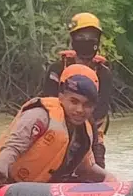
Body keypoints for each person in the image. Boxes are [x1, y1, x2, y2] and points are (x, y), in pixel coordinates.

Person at [0, 64, 114, 196]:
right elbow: (12, 149)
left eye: (86, 105)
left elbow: (86, 167)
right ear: (61, 97)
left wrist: (109, 178)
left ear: (94, 107)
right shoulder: (40, 115)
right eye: (74, 102)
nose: (79, 110)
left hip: (33, 189)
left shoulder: (85, 131)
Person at [43, 11, 117, 152]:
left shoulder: (104, 74)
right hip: (57, 127)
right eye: (81, 36)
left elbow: (101, 108)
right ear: (73, 39)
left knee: (97, 161)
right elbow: (49, 101)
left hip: (91, 130)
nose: (86, 40)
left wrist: (82, 130)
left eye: (91, 37)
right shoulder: (57, 69)